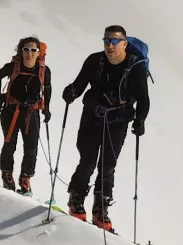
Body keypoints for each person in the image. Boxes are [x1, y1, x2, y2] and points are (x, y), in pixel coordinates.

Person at [60, 25, 150, 232]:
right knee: (88, 160)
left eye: (115, 41)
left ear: (124, 43)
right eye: (107, 40)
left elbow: (143, 99)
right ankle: (76, 199)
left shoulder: (135, 67)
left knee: (107, 165)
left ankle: (100, 209)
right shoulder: (95, 61)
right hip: (92, 116)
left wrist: (140, 119)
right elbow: (80, 84)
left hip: (118, 121)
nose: (110, 45)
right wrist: (71, 91)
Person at [0, 36, 53, 196]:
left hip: (31, 113)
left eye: (33, 50)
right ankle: (7, 175)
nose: (29, 53)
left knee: (31, 147)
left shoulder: (43, 71)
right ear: (21, 51)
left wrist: (46, 107)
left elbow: (47, 88)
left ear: (39, 53)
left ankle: (25, 178)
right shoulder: (13, 66)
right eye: (26, 49)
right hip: (11, 111)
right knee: (10, 144)